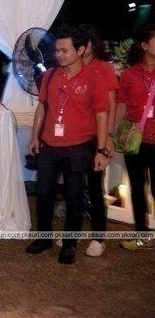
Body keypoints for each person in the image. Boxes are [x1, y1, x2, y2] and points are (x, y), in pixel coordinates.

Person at [25, 24, 109, 264]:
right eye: (57, 50)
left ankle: (70, 244)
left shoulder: (94, 78)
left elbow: (102, 114)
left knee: (74, 197)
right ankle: (43, 238)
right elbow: (42, 106)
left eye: (64, 50)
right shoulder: (51, 75)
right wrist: (34, 137)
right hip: (50, 146)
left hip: (79, 147)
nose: (58, 55)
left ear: (80, 50)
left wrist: (102, 149)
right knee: (43, 195)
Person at [79, 23, 119, 257]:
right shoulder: (71, 67)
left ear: (94, 43)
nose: (83, 46)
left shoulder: (104, 68)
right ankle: (73, 233)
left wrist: (109, 138)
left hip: (98, 136)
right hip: (75, 136)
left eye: (86, 41)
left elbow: (112, 105)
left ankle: (98, 237)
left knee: (95, 186)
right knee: (74, 187)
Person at [115, 24, 155, 250]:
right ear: (144, 46)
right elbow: (121, 106)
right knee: (137, 188)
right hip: (135, 140)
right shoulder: (129, 74)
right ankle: (142, 235)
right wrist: (111, 134)